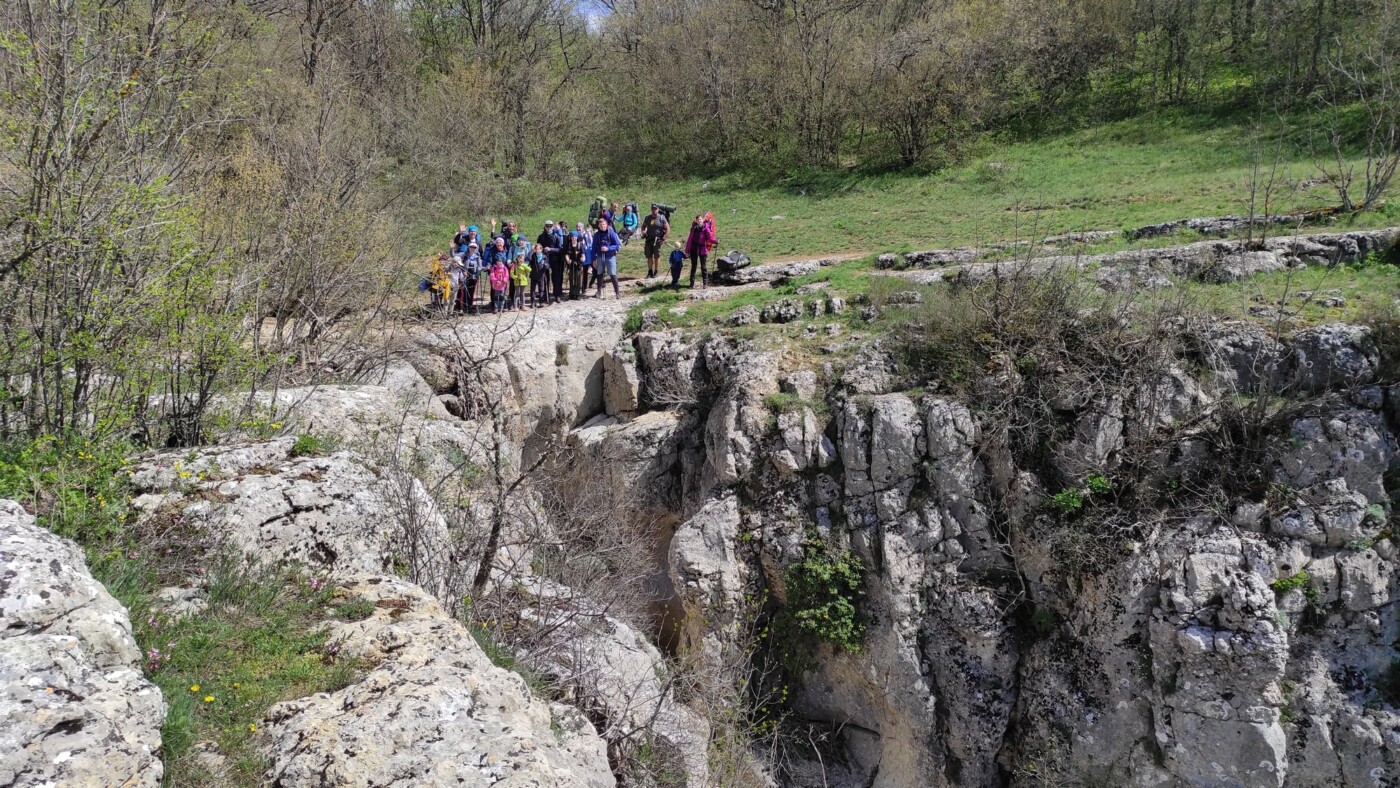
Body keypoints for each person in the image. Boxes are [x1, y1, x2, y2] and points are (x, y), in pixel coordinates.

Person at [592, 217, 622, 299]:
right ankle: (599, 292)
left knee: (613, 274)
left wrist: (608, 248)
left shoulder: (611, 233)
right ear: (598, 226)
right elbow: (593, 247)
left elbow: (617, 245)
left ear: (606, 224)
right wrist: (593, 259)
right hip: (599, 256)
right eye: (601, 225)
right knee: (599, 274)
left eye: (604, 224)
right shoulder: (596, 235)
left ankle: (617, 293)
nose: (602, 226)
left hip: (610, 256)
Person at [685, 213, 717, 288]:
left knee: (703, 267)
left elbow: (710, 237)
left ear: (703, 220)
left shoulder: (706, 228)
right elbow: (690, 239)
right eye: (698, 220)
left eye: (700, 219)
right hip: (694, 249)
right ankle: (691, 284)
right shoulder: (694, 229)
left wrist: (715, 241)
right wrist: (687, 250)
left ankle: (705, 284)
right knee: (693, 267)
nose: (699, 221)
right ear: (696, 221)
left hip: (702, 249)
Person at [641, 204, 670, 279]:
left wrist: (663, 238)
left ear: (658, 209)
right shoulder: (648, 218)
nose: (654, 210)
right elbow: (643, 226)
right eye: (653, 209)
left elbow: (667, 228)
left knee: (656, 257)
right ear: (651, 209)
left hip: (657, 240)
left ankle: (656, 272)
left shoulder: (661, 218)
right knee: (649, 256)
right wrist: (643, 232)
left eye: (655, 209)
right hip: (648, 239)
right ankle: (650, 271)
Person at [462, 242, 483, 313]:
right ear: (469, 248)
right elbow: (461, 264)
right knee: (465, 290)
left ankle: (470, 306)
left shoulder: (477, 257)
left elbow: (480, 266)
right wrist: (463, 271)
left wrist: (479, 270)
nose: (472, 249)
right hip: (466, 274)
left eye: (474, 248)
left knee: (471, 291)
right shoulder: (465, 256)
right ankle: (464, 306)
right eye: (471, 247)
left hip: (474, 275)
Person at [565, 229, 586, 299]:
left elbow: (583, 254)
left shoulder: (580, 245)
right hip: (571, 264)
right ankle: (571, 293)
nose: (574, 239)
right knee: (571, 278)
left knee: (578, 278)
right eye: (572, 237)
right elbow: (567, 254)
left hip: (578, 264)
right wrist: (568, 260)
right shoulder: (569, 245)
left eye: (575, 237)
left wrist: (583, 258)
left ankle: (577, 294)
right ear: (571, 238)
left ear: (577, 238)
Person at [529, 243, 550, 307]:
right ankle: (532, 302)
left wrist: (546, 265)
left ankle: (541, 301)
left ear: (541, 249)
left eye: (539, 249)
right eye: (536, 249)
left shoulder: (544, 256)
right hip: (533, 275)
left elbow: (548, 265)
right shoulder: (533, 255)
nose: (537, 250)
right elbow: (528, 259)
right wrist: (531, 251)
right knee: (533, 289)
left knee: (541, 289)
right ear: (535, 250)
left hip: (541, 275)